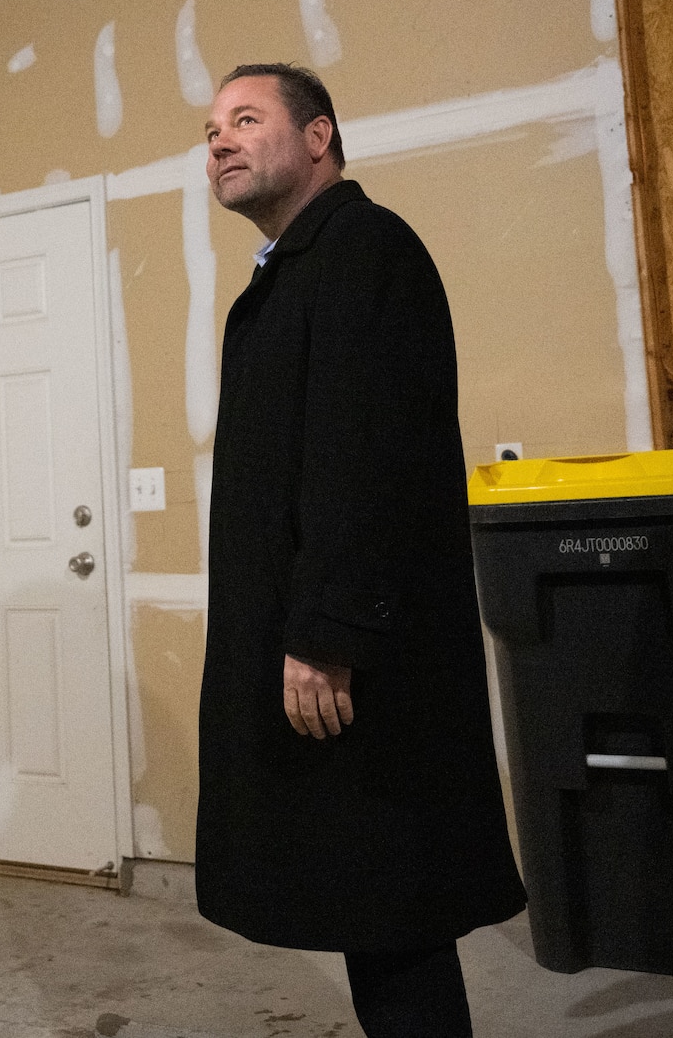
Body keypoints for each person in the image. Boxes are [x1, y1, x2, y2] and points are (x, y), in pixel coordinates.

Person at [193, 63, 525, 1037]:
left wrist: (326, 629)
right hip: (335, 634)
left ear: (317, 138)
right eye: (210, 126)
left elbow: (362, 450)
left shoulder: (362, 250)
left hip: (354, 651)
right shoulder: (303, 265)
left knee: (391, 904)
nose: (216, 140)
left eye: (245, 119)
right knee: (376, 902)